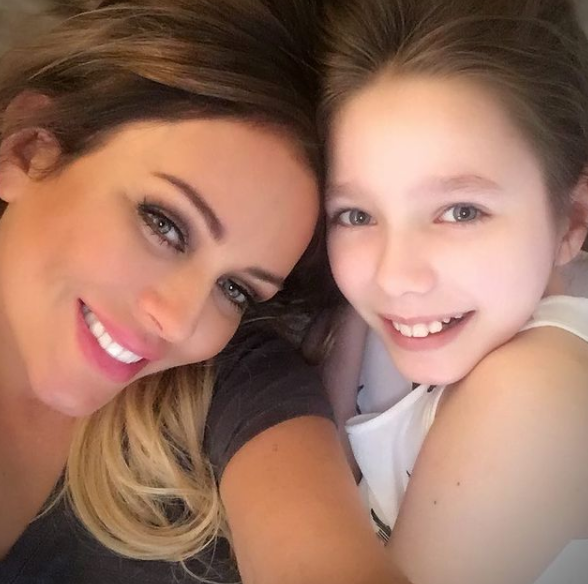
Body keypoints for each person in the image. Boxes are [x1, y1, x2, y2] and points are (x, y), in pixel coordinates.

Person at [0, 2, 404, 583]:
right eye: (164, 224)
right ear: (28, 151)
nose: (180, 321)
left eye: (235, 289)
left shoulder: (238, 386)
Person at [321, 0, 588, 582]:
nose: (395, 276)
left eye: (462, 211)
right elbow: (328, 451)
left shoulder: (538, 394)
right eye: (357, 214)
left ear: (572, 219)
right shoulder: (450, 313)